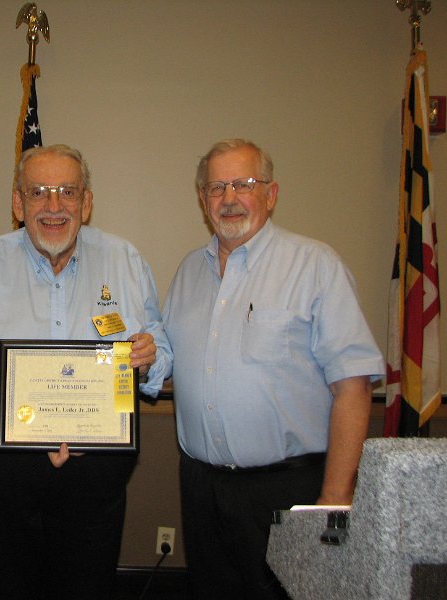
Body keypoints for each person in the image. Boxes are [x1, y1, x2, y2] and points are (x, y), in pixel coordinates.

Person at [0, 144, 172, 600]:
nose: (53, 206)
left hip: (95, 478)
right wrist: (29, 430)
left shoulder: (125, 260)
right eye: (39, 191)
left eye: (67, 191)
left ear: (86, 203)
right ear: (17, 202)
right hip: (2, 471)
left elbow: (158, 347)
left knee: (86, 588)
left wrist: (150, 357)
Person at [161, 138, 384, 600]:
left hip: (288, 489)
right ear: (203, 200)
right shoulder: (188, 273)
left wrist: (335, 499)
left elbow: (354, 386)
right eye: (216, 187)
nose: (228, 198)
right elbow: (168, 365)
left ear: (271, 193)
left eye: (243, 184)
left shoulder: (315, 266)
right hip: (203, 488)